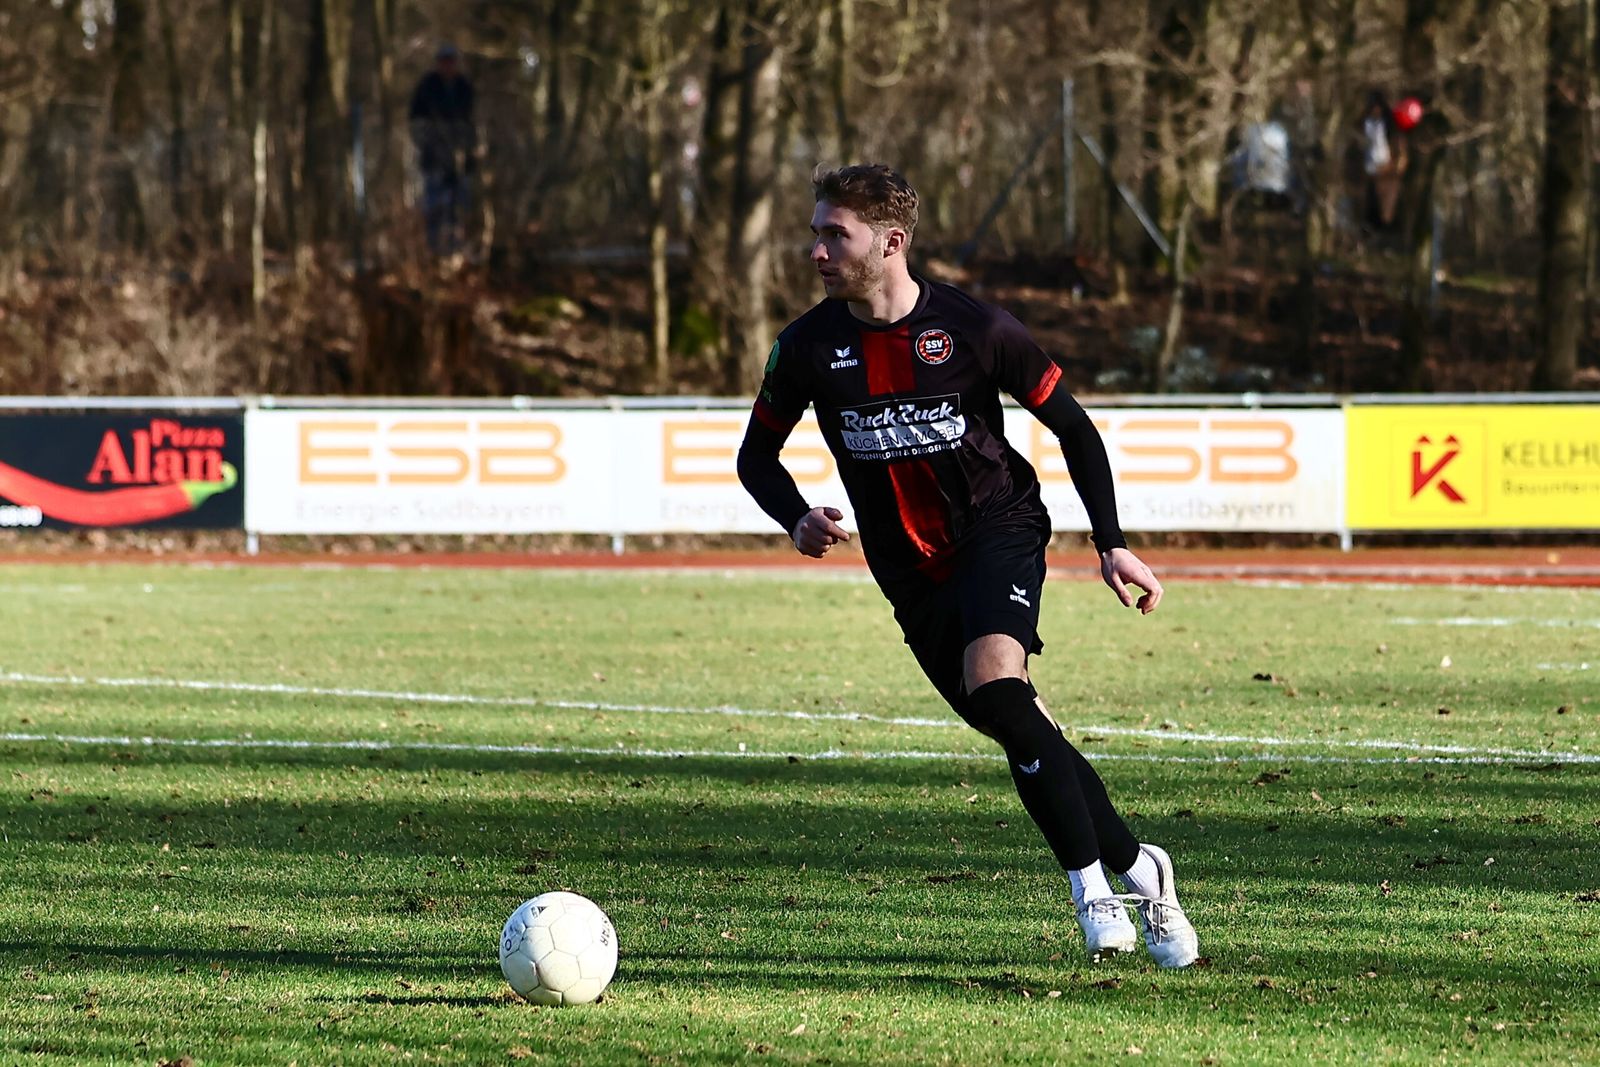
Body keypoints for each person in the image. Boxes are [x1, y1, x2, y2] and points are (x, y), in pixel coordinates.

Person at [736, 164, 1200, 967]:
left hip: (998, 529)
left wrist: (1111, 539)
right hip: (909, 574)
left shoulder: (977, 327)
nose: (815, 249)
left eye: (832, 234)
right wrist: (795, 516)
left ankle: (1092, 890)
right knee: (1017, 719)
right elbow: (756, 457)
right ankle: (1140, 864)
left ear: (890, 242)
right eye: (815, 232)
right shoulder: (806, 347)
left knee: (996, 685)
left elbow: (1075, 428)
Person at [409, 43, 476, 254]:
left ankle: (457, 248)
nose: (447, 66)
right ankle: (433, 248)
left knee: (459, 205)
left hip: (458, 159)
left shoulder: (464, 88)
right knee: (434, 204)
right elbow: (416, 122)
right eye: (444, 61)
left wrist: (469, 151)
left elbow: (471, 124)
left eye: (451, 61)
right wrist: (428, 146)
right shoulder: (427, 87)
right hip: (434, 157)